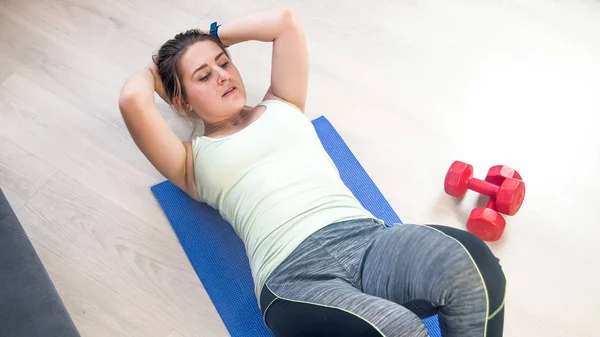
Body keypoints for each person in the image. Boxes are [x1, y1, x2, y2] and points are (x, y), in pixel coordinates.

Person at [118, 8, 506, 337]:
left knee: (475, 269)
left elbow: (285, 23)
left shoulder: (283, 103)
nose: (222, 75)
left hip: (369, 242)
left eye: (223, 63)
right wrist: (157, 72)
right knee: (396, 329)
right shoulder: (190, 161)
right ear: (182, 100)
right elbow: (132, 101)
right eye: (203, 76)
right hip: (294, 278)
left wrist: (214, 35)